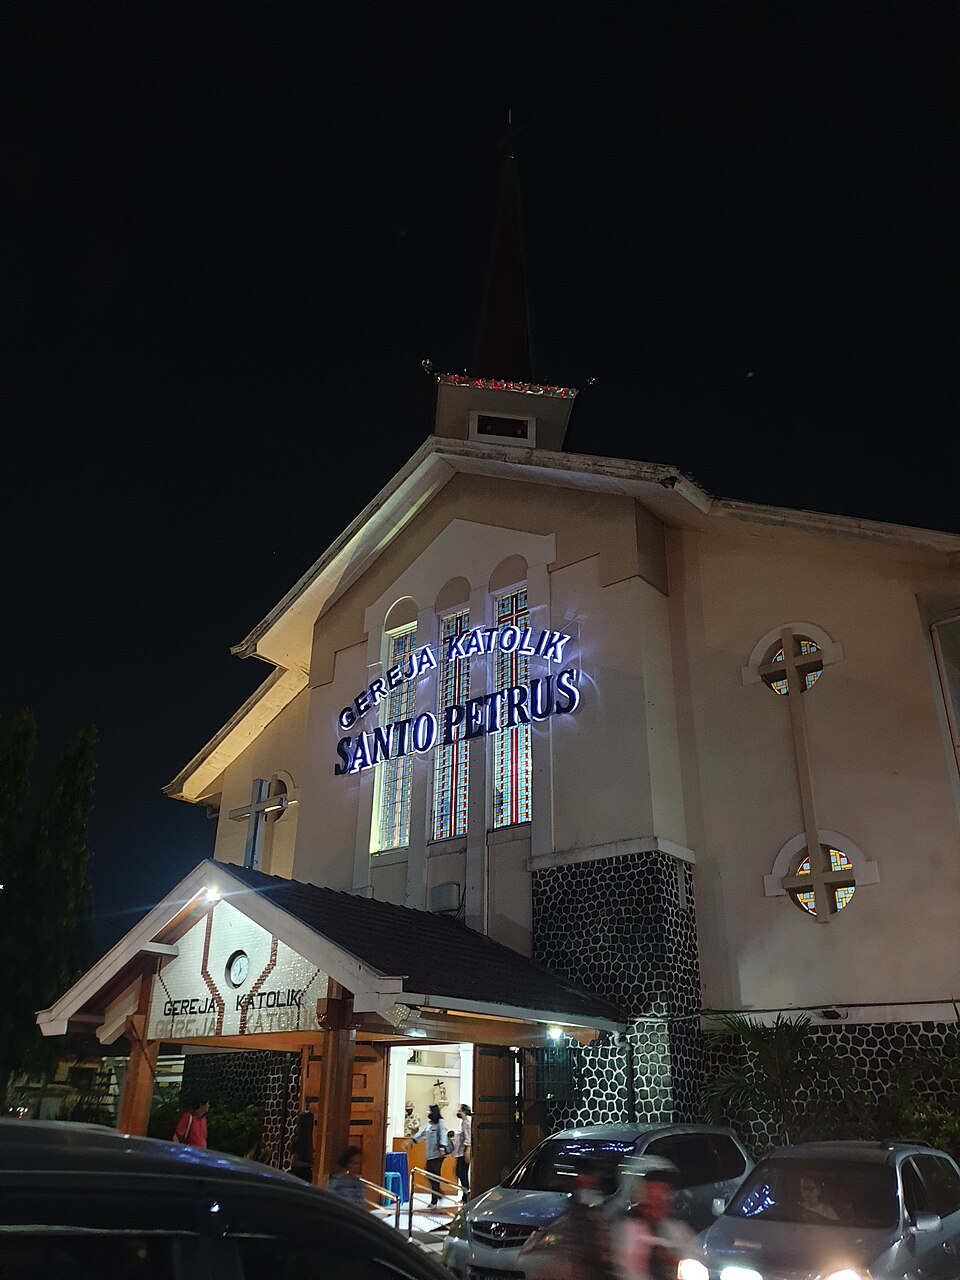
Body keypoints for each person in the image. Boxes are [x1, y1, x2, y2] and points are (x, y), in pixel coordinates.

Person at [616, 1161, 697, 1280]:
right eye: (652, 1189)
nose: (663, 1196)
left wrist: (676, 1262)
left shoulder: (679, 1231)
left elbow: (696, 1260)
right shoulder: (625, 1230)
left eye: (665, 1189)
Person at [406, 1102, 448, 1205]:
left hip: (438, 1154)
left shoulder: (440, 1122)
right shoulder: (428, 1124)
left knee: (435, 1175)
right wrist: (411, 1141)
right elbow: (421, 1134)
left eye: (429, 1110)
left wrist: (442, 1148)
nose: (427, 1112)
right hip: (429, 1154)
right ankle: (437, 1192)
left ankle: (434, 1200)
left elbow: (443, 1134)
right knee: (429, 1174)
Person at [327, 1145, 366, 1209]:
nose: (356, 1166)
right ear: (347, 1163)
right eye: (353, 1163)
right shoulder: (336, 1180)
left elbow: (361, 1203)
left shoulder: (359, 1182)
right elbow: (331, 1199)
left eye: (358, 1163)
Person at [452, 1103, 472, 1201]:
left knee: (462, 1174)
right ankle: (465, 1195)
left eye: (460, 1110)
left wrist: (467, 1151)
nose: (458, 1112)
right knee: (459, 1173)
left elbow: (468, 1138)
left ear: (464, 1112)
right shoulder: (463, 1123)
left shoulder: (467, 1123)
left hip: (463, 1153)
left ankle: (466, 1196)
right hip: (459, 1152)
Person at [288, 1110, 315, 1182]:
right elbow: (294, 1162)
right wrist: (309, 1164)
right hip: (299, 1176)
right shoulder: (299, 1141)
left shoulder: (306, 1141)